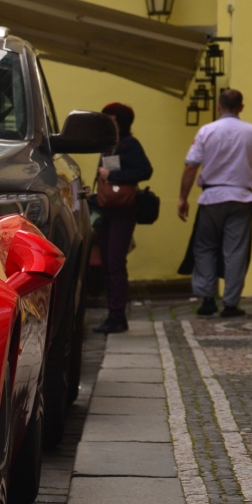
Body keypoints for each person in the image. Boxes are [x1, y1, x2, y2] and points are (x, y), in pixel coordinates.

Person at [178, 89, 252, 318]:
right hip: (241, 197)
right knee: (236, 250)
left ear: (219, 107)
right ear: (241, 107)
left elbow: (191, 166)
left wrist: (183, 197)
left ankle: (207, 299)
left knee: (205, 246)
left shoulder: (207, 131)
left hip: (211, 197)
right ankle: (230, 303)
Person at [93, 103, 153, 334]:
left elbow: (145, 170)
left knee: (115, 263)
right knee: (108, 264)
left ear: (119, 121)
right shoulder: (109, 146)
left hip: (122, 211)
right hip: (107, 209)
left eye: (110, 119)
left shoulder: (129, 144)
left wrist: (114, 175)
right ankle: (113, 314)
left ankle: (117, 316)